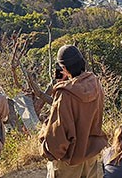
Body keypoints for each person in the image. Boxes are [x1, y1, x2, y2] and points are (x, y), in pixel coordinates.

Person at [40, 45, 108, 178]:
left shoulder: (65, 93)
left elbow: (57, 134)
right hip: (91, 156)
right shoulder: (96, 84)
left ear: (64, 68)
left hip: (69, 161)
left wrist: (46, 148)